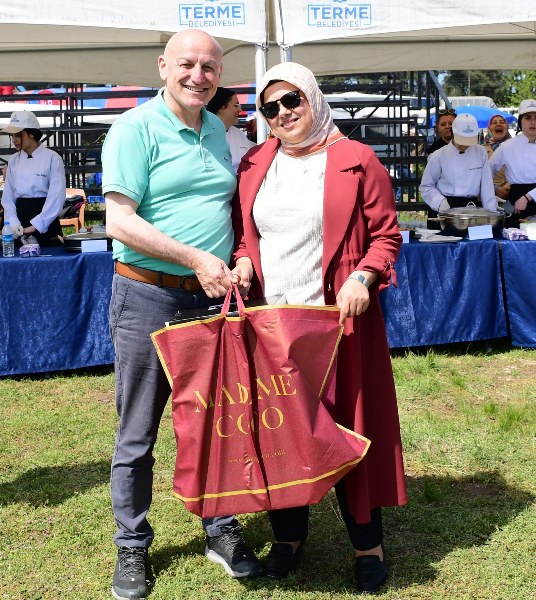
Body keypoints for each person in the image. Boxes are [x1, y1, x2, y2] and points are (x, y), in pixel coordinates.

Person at [231, 62, 407, 594]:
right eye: (270, 107)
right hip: (272, 325)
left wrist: (363, 275)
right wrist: (243, 261)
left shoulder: (356, 158)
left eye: (292, 100)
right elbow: (245, 237)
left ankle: (368, 546)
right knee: (281, 432)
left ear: (313, 98)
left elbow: (386, 236)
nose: (282, 113)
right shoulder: (254, 162)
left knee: (348, 429)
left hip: (338, 325)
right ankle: (288, 537)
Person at [101, 28, 262, 600]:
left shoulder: (217, 128)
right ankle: (132, 546)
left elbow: (227, 207)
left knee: (219, 422)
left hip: (212, 300)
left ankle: (220, 527)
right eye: (187, 64)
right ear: (163, 66)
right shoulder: (134, 129)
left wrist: (237, 257)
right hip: (149, 296)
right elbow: (119, 222)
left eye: (210, 67)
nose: (199, 75)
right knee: (138, 431)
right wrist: (195, 258)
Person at [420, 113, 497, 228]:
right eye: (461, 140)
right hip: (447, 207)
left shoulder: (480, 152)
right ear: (453, 133)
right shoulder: (438, 155)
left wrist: (491, 215)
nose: (464, 145)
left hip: (472, 207)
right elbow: (426, 186)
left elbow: (487, 187)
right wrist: (440, 202)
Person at [1, 111, 65, 245]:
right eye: (12, 135)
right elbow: (8, 199)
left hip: (47, 223)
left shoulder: (53, 158)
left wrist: (36, 225)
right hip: (19, 225)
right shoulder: (13, 160)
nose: (14, 140)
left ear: (31, 134)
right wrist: (14, 224)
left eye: (18, 135)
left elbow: (56, 197)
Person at [489, 99, 536, 226]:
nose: (533, 122)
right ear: (520, 121)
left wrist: (528, 197)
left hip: (525, 199)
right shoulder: (507, 147)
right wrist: (493, 195)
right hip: (516, 205)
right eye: (528, 118)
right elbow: (486, 172)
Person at [206, 87, 255, 172]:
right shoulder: (203, 133)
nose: (240, 110)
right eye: (236, 105)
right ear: (222, 108)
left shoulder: (238, 134)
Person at [482, 113, 511, 201]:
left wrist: (507, 188)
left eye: (501, 122)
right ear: (490, 128)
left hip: (512, 195)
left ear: (506, 127)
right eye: (494, 123)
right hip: (488, 195)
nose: (498, 124)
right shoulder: (481, 149)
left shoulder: (515, 147)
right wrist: (495, 189)